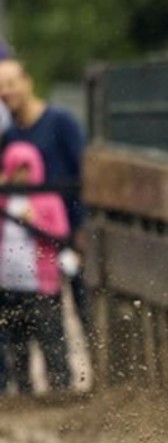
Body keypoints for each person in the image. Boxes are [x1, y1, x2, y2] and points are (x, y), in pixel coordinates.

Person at [0, 59, 87, 382]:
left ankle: (98, 384)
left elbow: (84, 172)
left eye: (10, 83)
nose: (5, 92)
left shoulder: (61, 122)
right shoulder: (8, 135)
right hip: (28, 244)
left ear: (27, 82)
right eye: (0, 86)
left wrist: (80, 228)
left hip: (69, 232)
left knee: (82, 308)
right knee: (22, 333)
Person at [0, 141, 71, 395]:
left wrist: (35, 221)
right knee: (16, 344)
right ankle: (22, 392)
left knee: (51, 339)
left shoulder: (48, 199)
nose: (23, 175)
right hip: (9, 285)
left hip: (43, 283)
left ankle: (61, 390)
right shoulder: (5, 201)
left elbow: (62, 234)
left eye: (27, 169)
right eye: (18, 169)